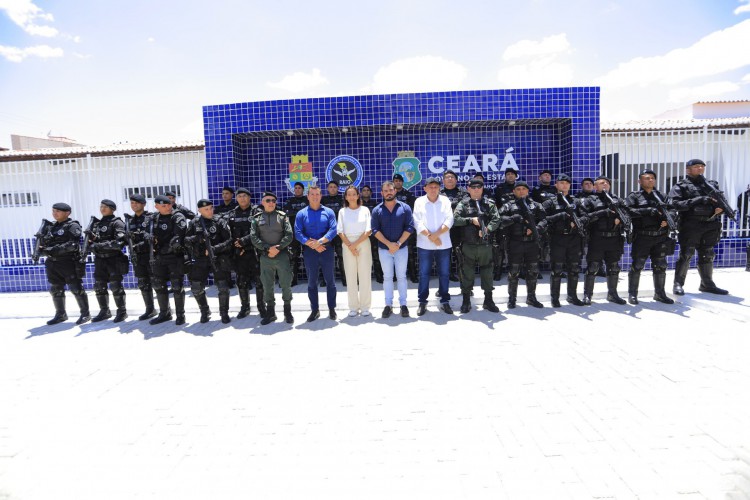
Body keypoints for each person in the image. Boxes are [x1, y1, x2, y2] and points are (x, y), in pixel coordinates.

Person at [668, 159, 730, 295]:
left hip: (710, 223)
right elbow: (675, 204)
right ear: (688, 169)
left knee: (707, 254)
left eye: (702, 166)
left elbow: (721, 202)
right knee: (686, 254)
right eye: (696, 166)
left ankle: (707, 284)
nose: (700, 168)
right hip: (691, 224)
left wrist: (720, 209)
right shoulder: (681, 186)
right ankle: (678, 284)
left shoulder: (711, 185)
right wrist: (698, 200)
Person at [625, 170, 676, 304]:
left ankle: (660, 294)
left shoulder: (662, 196)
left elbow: (672, 209)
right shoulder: (634, 197)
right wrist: (647, 211)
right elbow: (627, 211)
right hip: (642, 237)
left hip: (660, 236)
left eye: (652, 178)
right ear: (639, 181)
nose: (650, 180)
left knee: (660, 265)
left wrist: (669, 219)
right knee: (638, 265)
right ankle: (632, 294)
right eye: (647, 178)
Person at [36, 202, 90, 325]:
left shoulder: (72, 225)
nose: (54, 213)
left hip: (68, 262)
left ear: (67, 213)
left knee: (76, 289)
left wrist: (52, 249)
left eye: (57, 211)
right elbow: (44, 243)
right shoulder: (50, 227)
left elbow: (72, 245)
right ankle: (60, 314)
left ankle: (85, 314)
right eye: (53, 211)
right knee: (56, 289)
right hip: (52, 263)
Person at [454, 178, 501, 313]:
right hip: (468, 245)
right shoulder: (463, 204)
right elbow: (455, 219)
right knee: (466, 273)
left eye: (478, 187)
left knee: (487, 273)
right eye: (473, 187)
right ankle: (466, 301)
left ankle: (488, 300)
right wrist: (470, 220)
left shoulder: (489, 204)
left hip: (485, 245)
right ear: (468, 189)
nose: (476, 190)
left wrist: (488, 229)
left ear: (482, 188)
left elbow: (496, 219)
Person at [498, 181, 547, 308]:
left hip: (532, 243)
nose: (521, 191)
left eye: (523, 189)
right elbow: (499, 220)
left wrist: (536, 228)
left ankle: (531, 298)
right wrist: (513, 219)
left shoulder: (536, 205)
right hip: (515, 243)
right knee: (514, 271)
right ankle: (512, 299)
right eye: (518, 189)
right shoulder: (509, 205)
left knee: (533, 271)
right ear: (514, 191)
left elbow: (544, 220)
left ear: (528, 191)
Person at [184, 199, 234, 324]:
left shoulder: (219, 221)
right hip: (201, 259)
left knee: (222, 287)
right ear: (199, 210)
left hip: (217, 258)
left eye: (211, 208)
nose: (210, 211)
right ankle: (205, 311)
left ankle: (224, 313)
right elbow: (186, 240)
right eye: (206, 209)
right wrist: (197, 238)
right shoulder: (194, 223)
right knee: (196, 287)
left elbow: (229, 241)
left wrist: (214, 249)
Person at [371, 181, 415, 318]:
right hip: (384, 250)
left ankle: (403, 305)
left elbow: (410, 227)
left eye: (391, 189)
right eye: (386, 190)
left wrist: (398, 243)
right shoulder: (377, 210)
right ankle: (388, 305)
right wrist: (389, 244)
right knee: (388, 277)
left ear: (395, 191)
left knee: (402, 277)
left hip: (401, 249)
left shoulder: (405, 208)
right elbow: (375, 230)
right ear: (382, 193)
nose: (388, 192)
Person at [294, 185, 338, 321]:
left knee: (330, 281)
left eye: (317, 194)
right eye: (312, 194)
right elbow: (298, 233)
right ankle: (315, 310)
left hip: (326, 250)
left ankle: (332, 309)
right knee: (312, 282)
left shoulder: (329, 212)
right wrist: (312, 244)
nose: (315, 196)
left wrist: (320, 242)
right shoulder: (301, 214)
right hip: (310, 252)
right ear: (308, 196)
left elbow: (333, 229)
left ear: (320, 195)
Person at [541, 175, 586, 307]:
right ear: (556, 185)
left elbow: (586, 217)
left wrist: (577, 223)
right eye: (562, 183)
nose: (565, 185)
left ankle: (572, 296)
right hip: (557, 238)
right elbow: (543, 219)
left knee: (574, 269)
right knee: (557, 270)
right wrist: (559, 217)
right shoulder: (549, 202)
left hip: (574, 239)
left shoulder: (576, 202)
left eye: (567, 183)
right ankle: (555, 298)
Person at [581, 176, 627, 305]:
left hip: (614, 238)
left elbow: (627, 213)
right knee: (593, 267)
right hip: (597, 238)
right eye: (601, 183)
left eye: (607, 182)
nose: (605, 184)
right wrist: (603, 213)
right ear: (595, 187)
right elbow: (585, 218)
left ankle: (613, 294)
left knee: (613, 267)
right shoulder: (590, 200)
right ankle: (587, 295)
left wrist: (621, 220)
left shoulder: (617, 199)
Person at [250, 191, 295, 325]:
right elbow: (253, 237)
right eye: (268, 200)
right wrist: (267, 248)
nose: (271, 203)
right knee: (267, 285)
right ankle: (271, 313)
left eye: (273, 201)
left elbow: (289, 235)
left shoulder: (282, 216)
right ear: (262, 202)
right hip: (265, 256)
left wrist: (278, 248)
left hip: (281, 255)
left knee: (286, 284)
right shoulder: (256, 218)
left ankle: (287, 312)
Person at [412, 177, 454, 315]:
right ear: (425, 188)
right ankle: (422, 302)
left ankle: (444, 301)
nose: (433, 189)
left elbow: (450, 219)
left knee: (444, 273)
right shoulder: (419, 202)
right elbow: (417, 222)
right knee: (424, 274)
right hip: (425, 244)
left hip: (444, 244)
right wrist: (431, 237)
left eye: (436, 186)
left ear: (439, 188)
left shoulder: (445, 201)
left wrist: (436, 235)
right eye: (430, 186)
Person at [86, 199, 129, 323]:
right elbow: (91, 242)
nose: (102, 209)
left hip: (113, 259)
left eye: (105, 207)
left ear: (112, 209)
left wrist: (98, 246)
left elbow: (119, 243)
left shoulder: (117, 223)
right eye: (101, 206)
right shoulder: (96, 224)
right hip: (100, 260)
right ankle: (104, 311)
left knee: (116, 286)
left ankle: (122, 312)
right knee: (99, 286)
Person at [148, 195, 188, 325]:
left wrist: (165, 247)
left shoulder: (177, 217)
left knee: (177, 286)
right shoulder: (154, 218)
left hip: (174, 257)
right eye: (163, 206)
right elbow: (145, 232)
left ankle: (180, 315)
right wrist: (148, 237)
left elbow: (178, 237)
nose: (167, 207)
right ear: (156, 206)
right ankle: (164, 313)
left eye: (169, 204)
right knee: (159, 286)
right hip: (158, 257)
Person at [228, 187, 265, 319]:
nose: (242, 198)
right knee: (241, 281)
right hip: (240, 254)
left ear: (249, 197)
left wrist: (244, 241)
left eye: (245, 196)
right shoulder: (232, 214)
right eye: (240, 196)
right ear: (236, 198)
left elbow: (261, 230)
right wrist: (237, 245)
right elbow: (228, 233)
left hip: (255, 252)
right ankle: (245, 307)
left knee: (260, 281)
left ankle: (262, 307)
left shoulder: (257, 211)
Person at [337, 186, 373, 317]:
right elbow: (340, 231)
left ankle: (365, 307)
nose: (351, 197)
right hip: (347, 243)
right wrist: (350, 246)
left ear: (358, 196)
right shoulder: (342, 211)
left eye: (354, 194)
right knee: (350, 276)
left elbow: (368, 230)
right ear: (346, 197)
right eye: (349, 194)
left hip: (363, 242)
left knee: (365, 276)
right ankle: (353, 307)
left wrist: (355, 245)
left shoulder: (365, 210)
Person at [125, 193, 156, 320]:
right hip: (137, 257)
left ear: (143, 204)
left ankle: (165, 310)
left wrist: (140, 244)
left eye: (136, 203)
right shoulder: (129, 221)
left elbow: (153, 236)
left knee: (157, 283)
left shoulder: (151, 218)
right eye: (132, 203)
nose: (134, 205)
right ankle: (150, 309)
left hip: (150, 255)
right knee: (143, 284)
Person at [440, 170, 467, 282]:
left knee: (460, 254)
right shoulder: (439, 193)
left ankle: (463, 279)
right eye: (447, 177)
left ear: (456, 180)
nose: (450, 179)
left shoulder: (463, 192)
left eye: (452, 177)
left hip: (459, 229)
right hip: (444, 229)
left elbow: (466, 207)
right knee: (444, 255)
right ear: (443, 180)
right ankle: (447, 276)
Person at [492, 167, 519, 280]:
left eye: (512, 174)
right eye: (508, 174)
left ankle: (518, 270)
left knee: (518, 247)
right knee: (500, 248)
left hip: (517, 221)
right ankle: (498, 271)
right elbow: (496, 204)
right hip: (504, 221)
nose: (510, 176)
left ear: (515, 176)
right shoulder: (499, 188)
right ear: (505, 176)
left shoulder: (520, 187)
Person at [393, 173, 419, 283]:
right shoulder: (390, 195)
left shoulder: (409, 195)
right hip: (394, 228)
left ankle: (413, 275)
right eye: (396, 181)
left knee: (410, 253)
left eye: (399, 181)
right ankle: (395, 276)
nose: (398, 182)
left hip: (407, 229)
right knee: (394, 252)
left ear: (402, 182)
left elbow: (413, 211)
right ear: (393, 182)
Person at [283, 182, 309, 285]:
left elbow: (308, 213)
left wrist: (294, 211)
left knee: (309, 256)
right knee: (292, 257)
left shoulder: (307, 200)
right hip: (293, 233)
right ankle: (292, 281)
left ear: (303, 190)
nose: (297, 189)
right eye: (296, 188)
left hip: (306, 232)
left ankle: (311, 279)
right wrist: (300, 212)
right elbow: (287, 213)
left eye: (299, 188)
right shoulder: (289, 201)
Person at [321, 180, 346, 287]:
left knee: (342, 256)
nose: (332, 188)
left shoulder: (342, 199)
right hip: (326, 233)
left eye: (334, 187)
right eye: (330, 187)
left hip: (340, 232)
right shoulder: (323, 200)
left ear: (338, 188)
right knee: (326, 256)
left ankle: (345, 280)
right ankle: (325, 280)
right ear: (327, 189)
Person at [361, 184, 384, 283]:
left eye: (367, 190)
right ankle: (364, 278)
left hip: (374, 234)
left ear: (371, 193)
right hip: (362, 234)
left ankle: (379, 276)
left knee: (376, 256)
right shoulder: (358, 205)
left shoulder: (376, 204)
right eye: (364, 190)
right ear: (361, 193)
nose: (366, 192)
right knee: (363, 257)